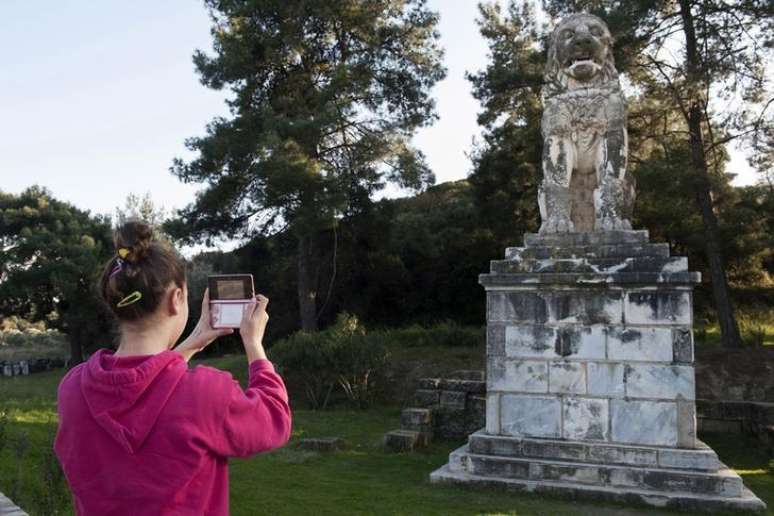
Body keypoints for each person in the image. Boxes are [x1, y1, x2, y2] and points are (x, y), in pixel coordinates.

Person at [54, 220, 292, 515]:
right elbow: (273, 421)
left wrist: (191, 344)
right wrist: (254, 345)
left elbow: (138, 385)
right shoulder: (206, 394)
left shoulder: (73, 389)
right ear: (177, 299)